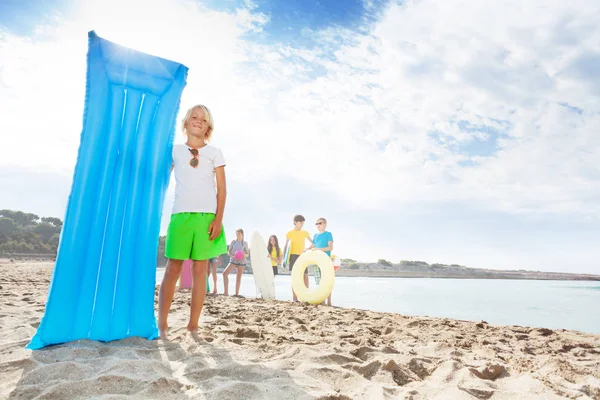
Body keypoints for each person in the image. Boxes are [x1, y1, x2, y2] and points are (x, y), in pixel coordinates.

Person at [157, 104, 227, 340]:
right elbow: (159, 177)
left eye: (203, 119)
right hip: (180, 217)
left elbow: (222, 189)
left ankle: (192, 326)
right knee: (172, 269)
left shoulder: (214, 153)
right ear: (185, 122)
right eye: (194, 117)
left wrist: (219, 218)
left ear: (208, 127)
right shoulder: (174, 150)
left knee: (200, 271)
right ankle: (162, 325)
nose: (198, 121)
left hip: (207, 217)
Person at [282, 214, 312, 302]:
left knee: (305, 276)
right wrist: (285, 258)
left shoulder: (304, 233)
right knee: (295, 277)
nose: (302, 225)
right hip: (293, 256)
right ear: (295, 222)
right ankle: (295, 298)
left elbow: (312, 242)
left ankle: (307, 296)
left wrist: (308, 249)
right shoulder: (290, 233)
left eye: (303, 223)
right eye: (301, 223)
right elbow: (286, 245)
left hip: (302, 256)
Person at [308, 217, 334, 306]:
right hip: (316, 262)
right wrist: (307, 249)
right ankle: (322, 300)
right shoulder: (315, 235)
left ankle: (329, 301)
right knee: (319, 282)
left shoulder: (328, 234)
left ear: (325, 224)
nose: (318, 225)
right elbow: (312, 245)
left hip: (325, 261)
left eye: (320, 223)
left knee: (327, 281)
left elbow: (330, 247)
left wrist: (318, 249)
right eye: (317, 224)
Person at [223, 229, 249, 296]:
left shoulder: (245, 243)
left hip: (242, 262)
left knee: (238, 278)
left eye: (239, 234)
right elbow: (228, 252)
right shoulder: (233, 242)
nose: (238, 236)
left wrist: (244, 256)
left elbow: (247, 254)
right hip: (233, 260)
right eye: (237, 234)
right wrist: (232, 256)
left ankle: (236, 294)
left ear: (242, 235)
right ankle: (226, 292)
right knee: (224, 273)